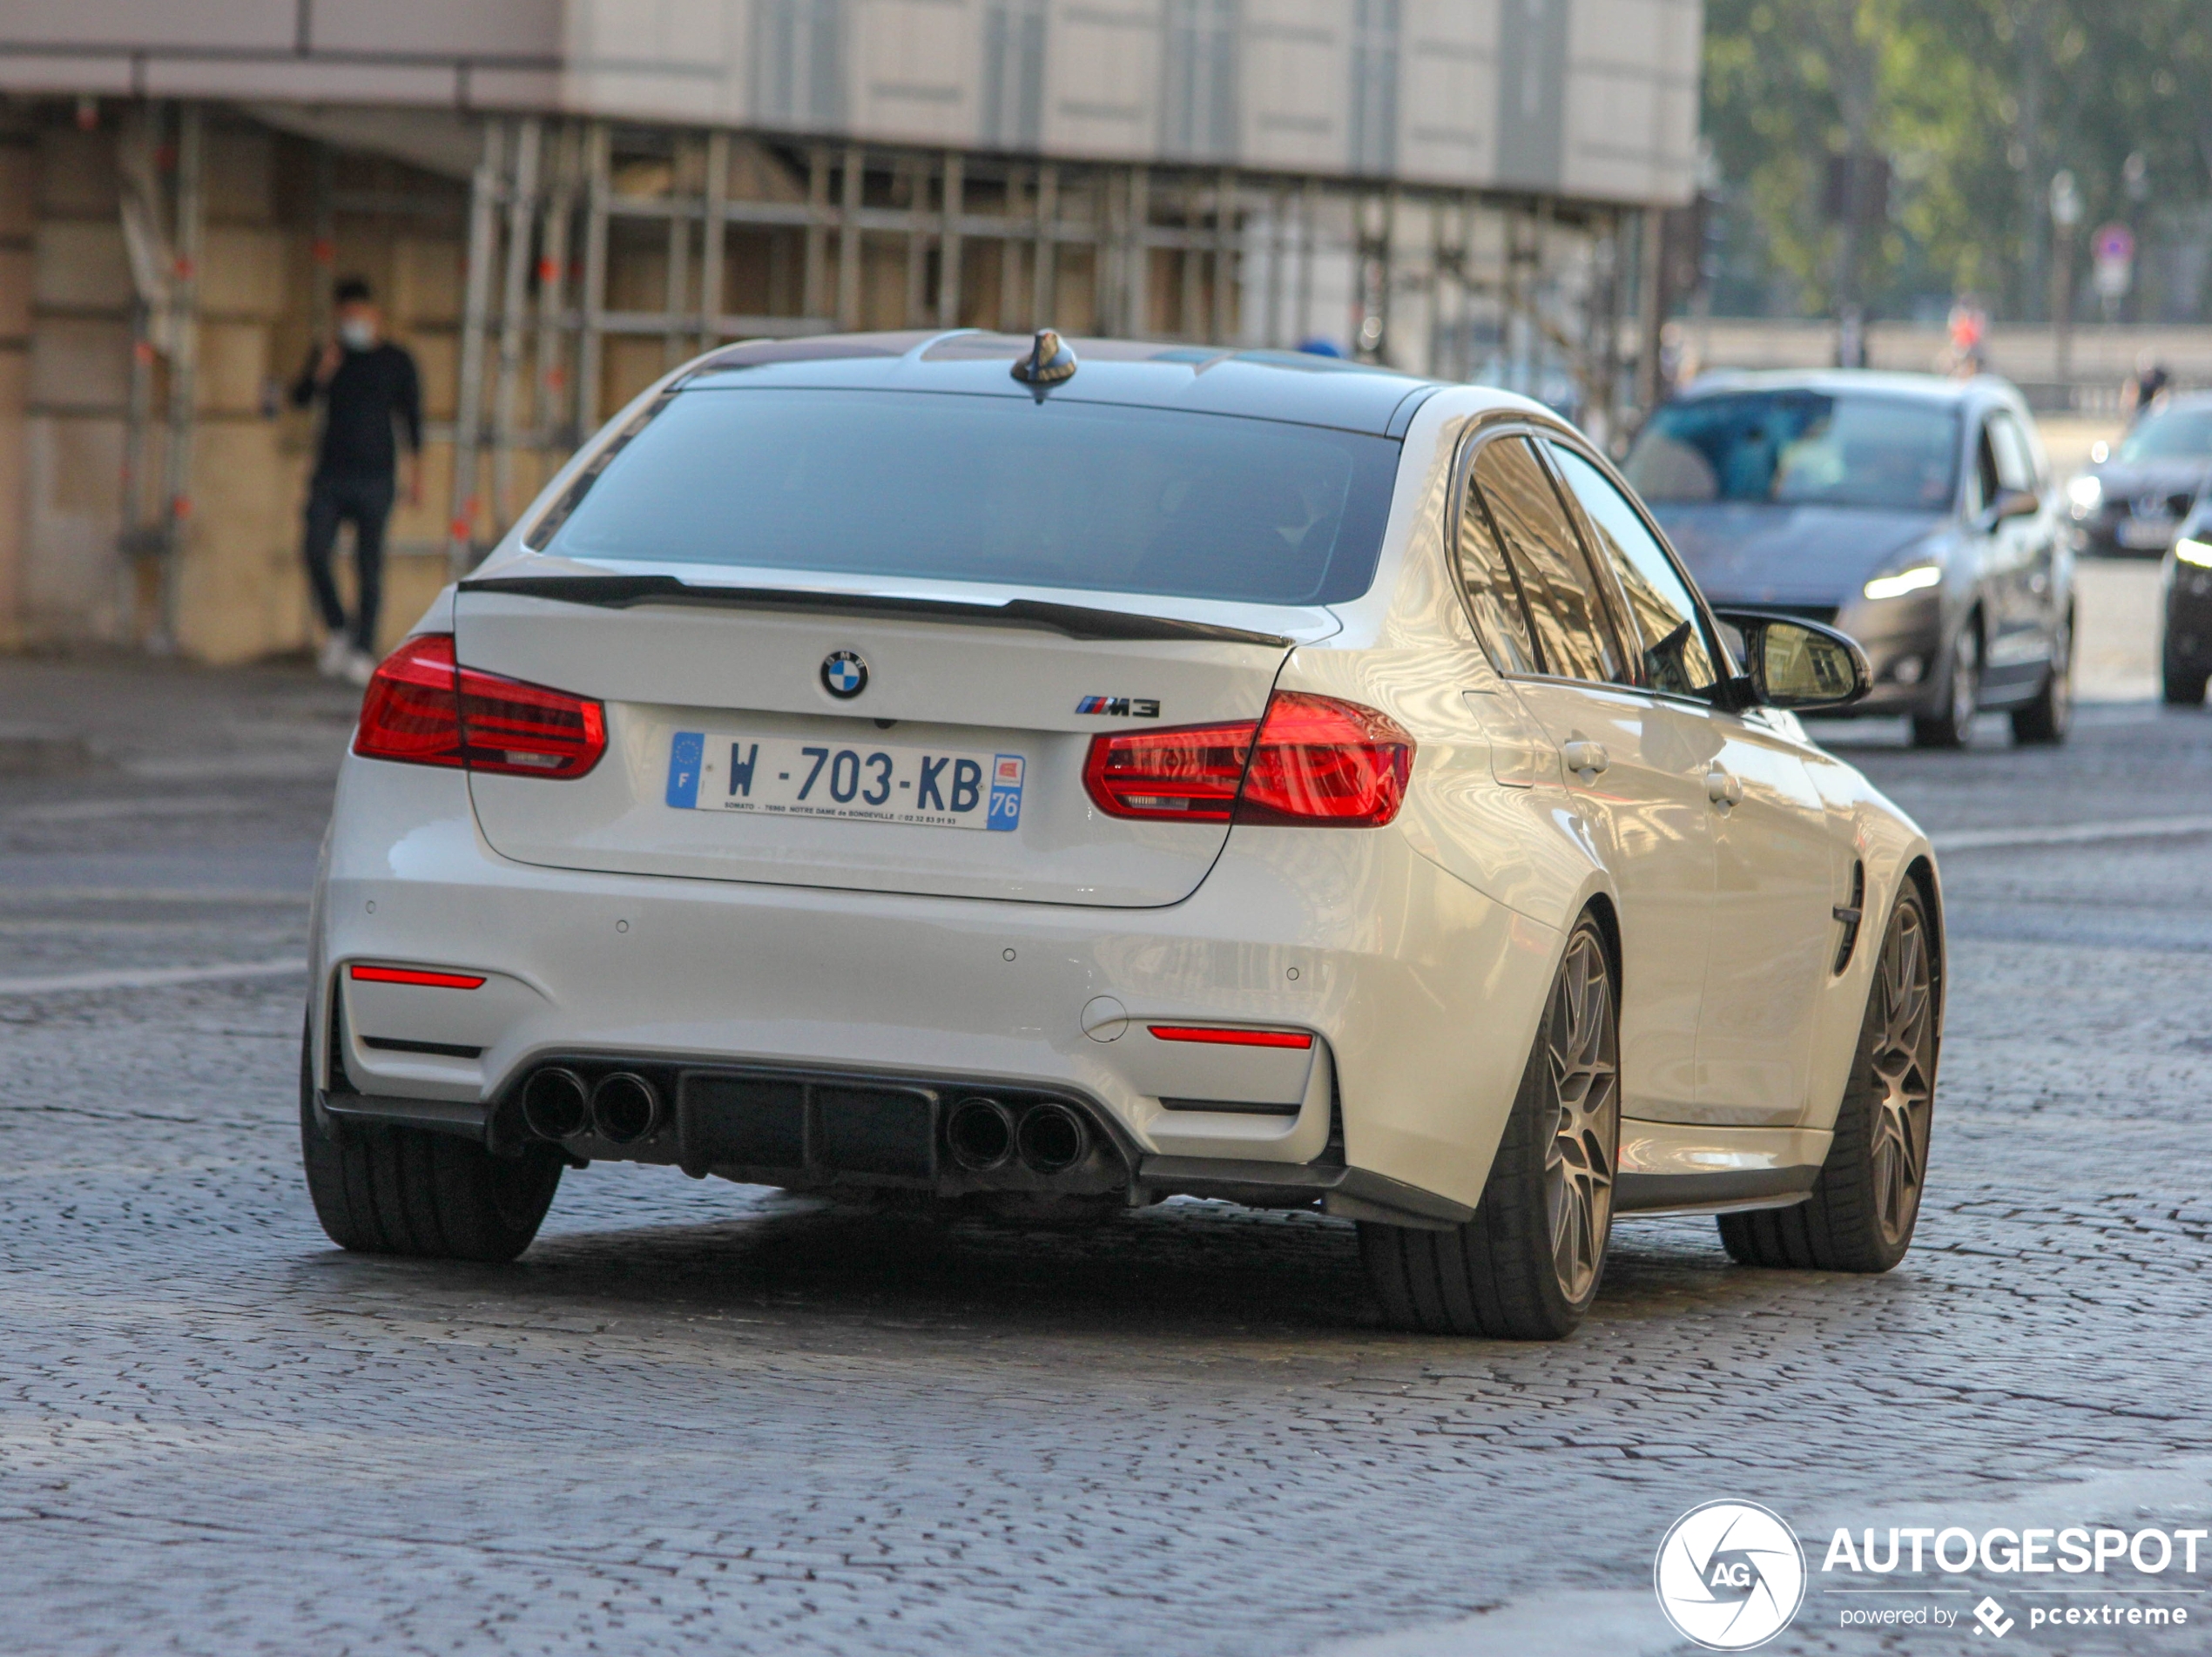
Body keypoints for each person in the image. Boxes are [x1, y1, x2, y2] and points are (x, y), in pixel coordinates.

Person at [291, 278, 421, 684]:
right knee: (314, 549)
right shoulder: (329, 355)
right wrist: (323, 370)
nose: (352, 323)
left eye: (357, 315)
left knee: (369, 564)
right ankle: (339, 630)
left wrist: (416, 475)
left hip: (376, 476)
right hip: (330, 474)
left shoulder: (396, 360)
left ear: (373, 314)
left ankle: (364, 648)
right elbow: (299, 399)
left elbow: (412, 419)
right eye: (344, 316)